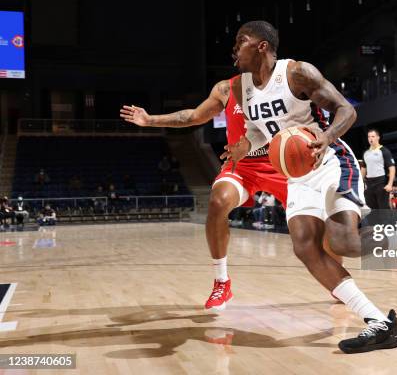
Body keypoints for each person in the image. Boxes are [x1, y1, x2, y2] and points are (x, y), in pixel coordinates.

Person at [222, 20, 397, 353]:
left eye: (241, 41)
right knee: (304, 247)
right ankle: (380, 324)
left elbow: (346, 111)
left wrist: (326, 138)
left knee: (344, 242)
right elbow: (260, 130)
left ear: (261, 46)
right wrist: (244, 145)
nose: (233, 48)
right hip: (297, 174)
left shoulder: (297, 73)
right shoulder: (242, 87)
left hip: (328, 160)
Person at [120, 71, 341, 312]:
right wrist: (150, 120)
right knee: (218, 202)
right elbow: (193, 116)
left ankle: (337, 282)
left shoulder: (283, 83)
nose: (238, 54)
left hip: (282, 165)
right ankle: (222, 282)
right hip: (242, 166)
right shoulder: (226, 89)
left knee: (325, 225)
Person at [362, 129, 395, 209]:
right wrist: (361, 183)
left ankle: (386, 222)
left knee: (383, 209)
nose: (370, 138)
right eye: (369, 137)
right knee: (371, 209)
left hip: (381, 182)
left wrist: (390, 184)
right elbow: (363, 168)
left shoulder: (384, 151)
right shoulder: (366, 153)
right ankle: (374, 222)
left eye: (373, 136)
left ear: (378, 138)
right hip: (369, 184)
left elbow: (392, 168)